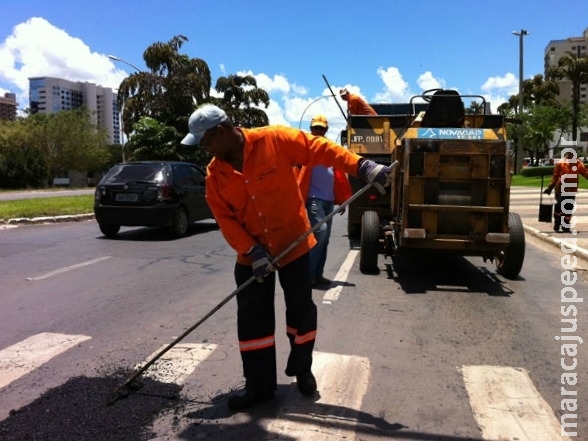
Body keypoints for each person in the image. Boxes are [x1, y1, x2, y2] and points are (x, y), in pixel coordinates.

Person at [181, 104, 391, 411]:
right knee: (253, 322)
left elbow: (319, 149)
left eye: (206, 141)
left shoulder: (275, 139)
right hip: (253, 256)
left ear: (222, 132)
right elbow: (225, 219)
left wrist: (361, 167)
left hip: (291, 245)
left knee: (301, 312)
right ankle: (259, 386)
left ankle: (302, 369)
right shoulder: (215, 176)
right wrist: (252, 251)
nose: (204, 148)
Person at [297, 114, 352, 286]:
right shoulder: (304, 147)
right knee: (320, 232)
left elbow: (340, 174)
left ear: (326, 129)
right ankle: (307, 275)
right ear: (311, 129)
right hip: (314, 198)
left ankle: (317, 275)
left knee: (325, 237)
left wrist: (342, 198)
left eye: (321, 128)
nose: (318, 131)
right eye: (315, 128)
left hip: (328, 200)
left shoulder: (330, 149)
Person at [544, 149, 588, 233]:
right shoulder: (561, 163)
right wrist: (550, 187)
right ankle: (557, 223)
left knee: (569, 207)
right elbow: (555, 176)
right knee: (559, 206)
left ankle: (566, 225)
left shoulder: (578, 164)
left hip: (572, 189)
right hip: (560, 188)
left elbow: (585, 173)